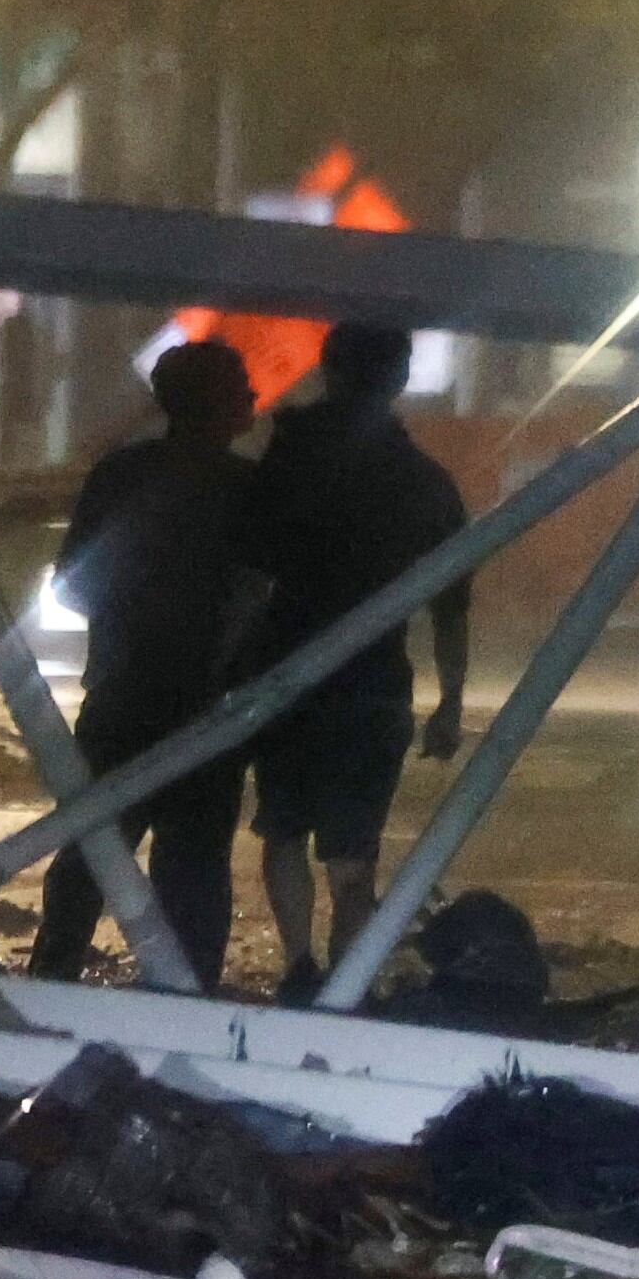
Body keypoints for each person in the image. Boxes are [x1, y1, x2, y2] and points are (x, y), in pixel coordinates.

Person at [233, 322, 467, 988]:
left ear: (329, 372)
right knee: (353, 854)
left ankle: (299, 965)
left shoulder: (288, 460)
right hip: (372, 687)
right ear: (398, 380)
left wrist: (227, 667)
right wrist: (449, 701)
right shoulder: (423, 481)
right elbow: (452, 605)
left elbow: (251, 577)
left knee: (283, 831)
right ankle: (345, 983)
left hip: (288, 677)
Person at [27, 338, 257, 986]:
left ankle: (53, 974)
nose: (255, 396)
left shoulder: (119, 477)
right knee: (194, 867)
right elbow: (263, 595)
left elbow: (72, 585)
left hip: (120, 698)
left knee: (92, 849)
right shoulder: (248, 490)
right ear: (217, 402)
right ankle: (185, 997)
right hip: (211, 714)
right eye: (242, 384)